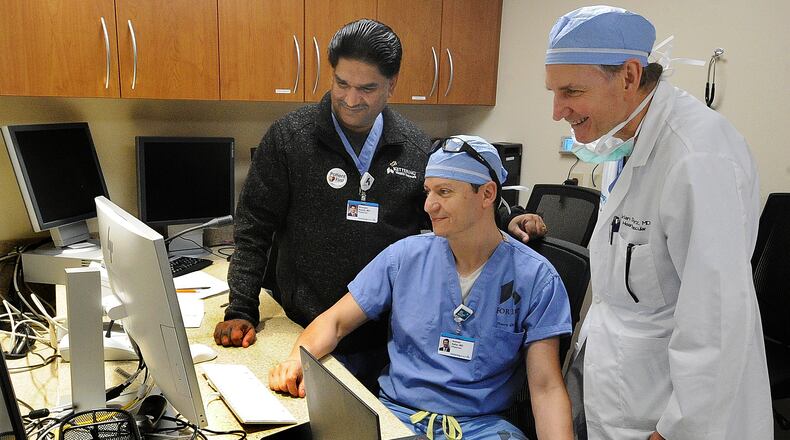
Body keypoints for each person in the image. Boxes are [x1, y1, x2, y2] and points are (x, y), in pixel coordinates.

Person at [214, 19, 546, 391]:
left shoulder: (415, 147)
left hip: (387, 340)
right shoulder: (290, 139)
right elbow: (254, 229)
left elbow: (456, 200)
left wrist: (510, 217)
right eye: (342, 83)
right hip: (305, 328)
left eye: (367, 88)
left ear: (392, 84)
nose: (351, 99)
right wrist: (241, 307)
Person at [543, 6, 772, 440]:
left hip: (671, 413)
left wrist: (677, 429)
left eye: (571, 91)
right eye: (553, 92)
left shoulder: (697, 157)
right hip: (620, 381)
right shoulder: (625, 137)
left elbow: (717, 320)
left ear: (629, 76)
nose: (558, 111)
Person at [269, 135, 573, 440]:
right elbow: (334, 322)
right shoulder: (404, 258)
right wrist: (297, 359)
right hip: (397, 419)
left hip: (482, 428)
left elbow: (546, 388)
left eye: (444, 192)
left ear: (487, 194)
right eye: (428, 191)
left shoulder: (536, 278)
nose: (429, 205)